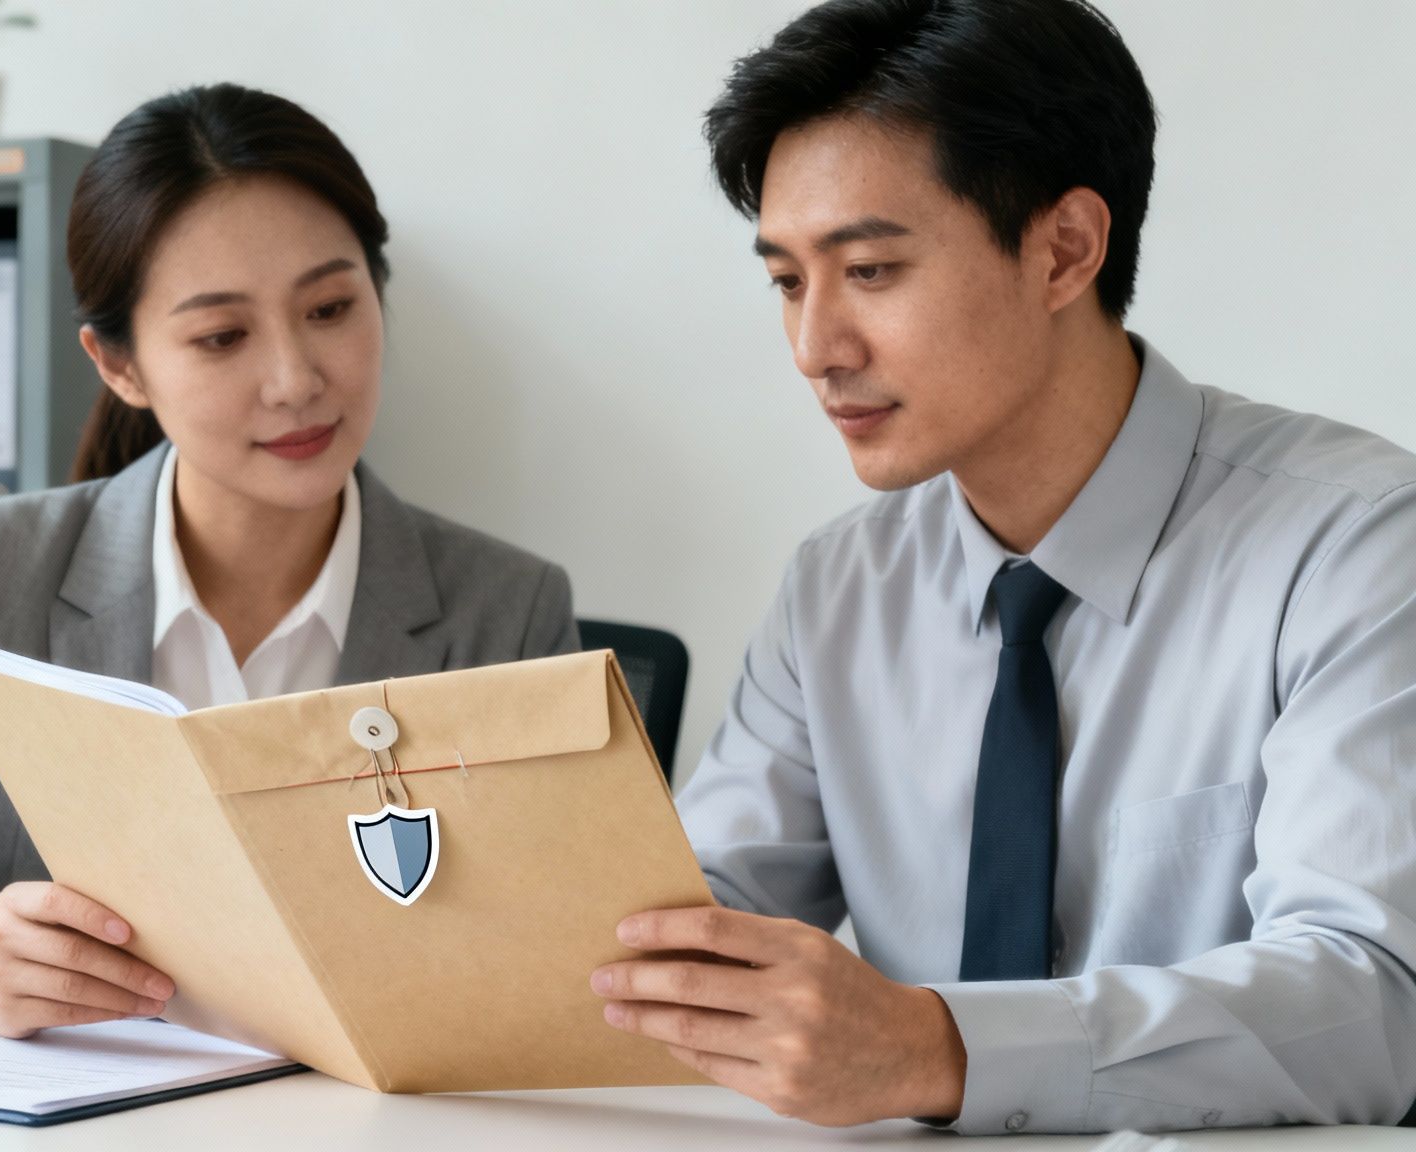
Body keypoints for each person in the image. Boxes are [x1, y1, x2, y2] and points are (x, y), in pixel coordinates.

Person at [590, 0, 1416, 1134]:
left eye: (869, 269)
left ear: (1064, 249)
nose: (814, 348)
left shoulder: (1359, 546)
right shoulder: (836, 589)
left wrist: (938, 1050)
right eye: (786, 280)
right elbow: (687, 925)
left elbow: (1374, 999)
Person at [0, 83, 578, 1039]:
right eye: (222, 336)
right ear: (120, 365)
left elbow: (555, 959)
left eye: (330, 307)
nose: (296, 381)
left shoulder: (508, 609)